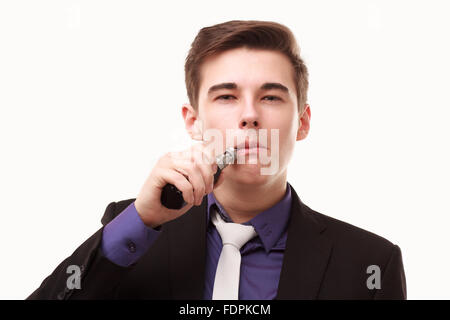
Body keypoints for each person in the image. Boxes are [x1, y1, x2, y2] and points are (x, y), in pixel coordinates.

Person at [27, 20, 406, 300]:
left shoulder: (369, 263)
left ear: (302, 122)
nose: (250, 115)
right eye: (226, 96)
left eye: (271, 97)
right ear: (193, 121)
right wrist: (142, 220)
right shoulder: (136, 232)